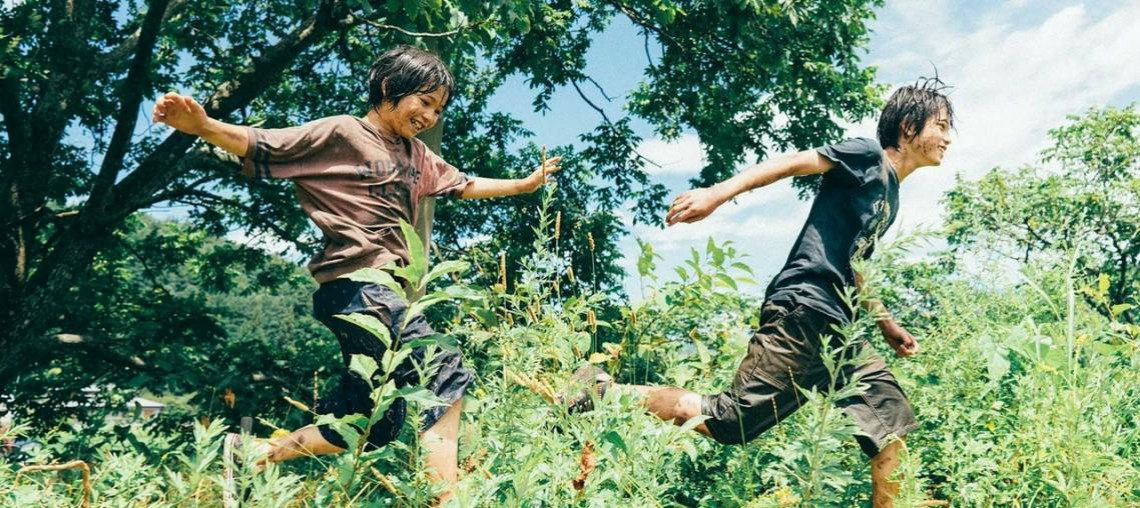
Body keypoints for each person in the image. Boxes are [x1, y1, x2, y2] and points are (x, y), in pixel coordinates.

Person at [153, 45, 561, 502]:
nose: (430, 116)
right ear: (388, 88)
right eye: (424, 102)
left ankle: (254, 453)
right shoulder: (343, 133)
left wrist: (524, 185)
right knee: (442, 368)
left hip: (379, 295)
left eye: (438, 109)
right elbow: (266, 143)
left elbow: (463, 184)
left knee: (371, 422)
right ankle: (447, 499)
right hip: (359, 287)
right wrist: (203, 126)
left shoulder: (418, 155)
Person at [574, 79, 953, 507]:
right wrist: (716, 193)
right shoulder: (866, 156)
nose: (948, 138)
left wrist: (886, 324)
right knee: (730, 421)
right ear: (908, 126)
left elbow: (858, 264)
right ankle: (604, 391)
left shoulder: (891, 195)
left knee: (891, 424)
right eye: (940, 126)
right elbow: (793, 163)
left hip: (842, 329)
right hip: (805, 309)